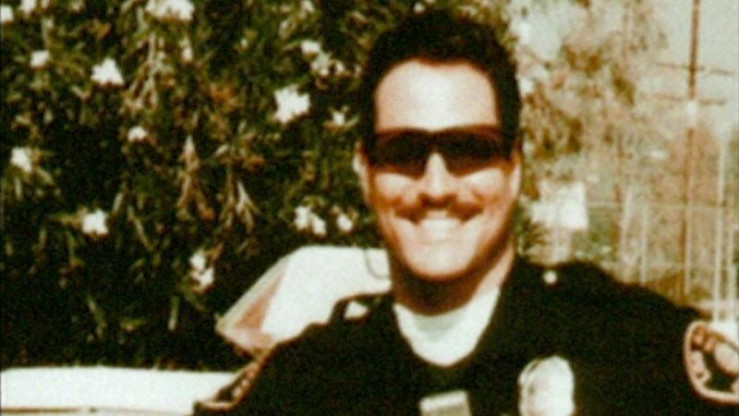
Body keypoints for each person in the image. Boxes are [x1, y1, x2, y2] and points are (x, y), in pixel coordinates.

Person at [195, 9, 738, 416]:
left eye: (469, 150)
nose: (436, 187)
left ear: (514, 166)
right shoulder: (303, 387)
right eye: (404, 152)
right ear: (365, 170)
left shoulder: (635, 355)